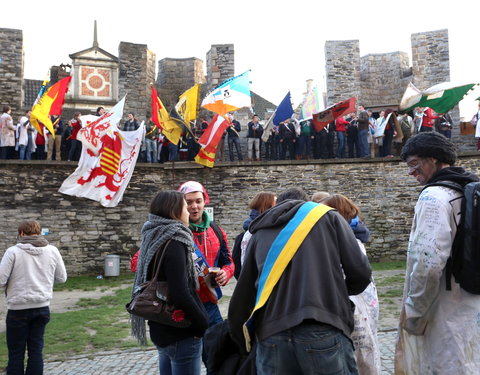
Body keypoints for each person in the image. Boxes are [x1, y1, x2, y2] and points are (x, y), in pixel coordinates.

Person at [228, 189, 372, 375]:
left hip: (272, 332)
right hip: (322, 324)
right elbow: (361, 273)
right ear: (306, 204)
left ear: (277, 205)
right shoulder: (329, 218)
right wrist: (334, 293)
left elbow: (244, 292)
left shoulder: (259, 232)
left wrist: (242, 340)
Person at [395, 132, 480, 374]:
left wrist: (414, 313)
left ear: (433, 160)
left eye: (414, 164)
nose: (411, 172)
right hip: (472, 304)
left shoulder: (434, 197)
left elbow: (427, 264)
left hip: (443, 310)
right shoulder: (470, 191)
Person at [130, 190, 208, 375]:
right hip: (179, 328)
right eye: (185, 207)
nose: (189, 212)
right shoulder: (175, 241)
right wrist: (202, 324)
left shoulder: (153, 235)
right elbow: (180, 292)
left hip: (161, 326)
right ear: (174, 211)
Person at [177, 181, 235, 370]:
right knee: (187, 360)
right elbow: (138, 261)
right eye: (189, 202)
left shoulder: (217, 231)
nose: (194, 206)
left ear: (205, 202)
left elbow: (229, 262)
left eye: (198, 201)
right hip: (184, 306)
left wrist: (225, 274)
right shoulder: (175, 231)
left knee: (218, 357)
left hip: (210, 303)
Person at [321, 194, 381, 374]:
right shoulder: (348, 237)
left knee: (360, 351)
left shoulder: (347, 241)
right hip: (359, 300)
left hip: (354, 302)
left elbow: (355, 274)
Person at [0, 220, 67, 374]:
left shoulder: (13, 252)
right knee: (36, 351)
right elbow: (61, 278)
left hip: (18, 309)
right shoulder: (52, 251)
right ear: (39, 232)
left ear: (21, 233)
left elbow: (0, 280)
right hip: (42, 307)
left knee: (16, 353)